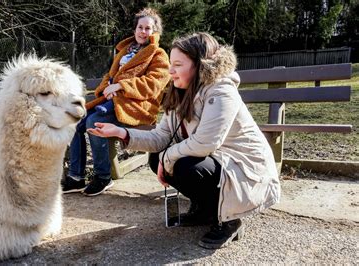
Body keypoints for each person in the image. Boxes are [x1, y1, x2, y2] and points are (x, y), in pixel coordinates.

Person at [87, 32, 281, 249]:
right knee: (157, 159)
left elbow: (205, 143)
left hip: (246, 170)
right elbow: (161, 137)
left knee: (185, 164)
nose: (170, 70)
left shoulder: (222, 90)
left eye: (177, 64)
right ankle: (206, 211)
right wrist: (121, 132)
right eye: (171, 63)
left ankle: (230, 221)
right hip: (218, 161)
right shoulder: (181, 92)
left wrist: (167, 158)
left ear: (200, 65)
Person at [62, 8, 171, 196]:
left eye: (148, 28)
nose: (143, 32)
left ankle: (103, 177)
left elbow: (154, 84)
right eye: (140, 27)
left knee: (92, 122)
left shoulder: (158, 55)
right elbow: (110, 76)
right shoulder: (125, 51)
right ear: (135, 29)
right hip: (112, 102)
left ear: (154, 32)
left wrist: (121, 86)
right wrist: (106, 88)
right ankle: (76, 177)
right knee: (76, 122)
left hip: (136, 107)